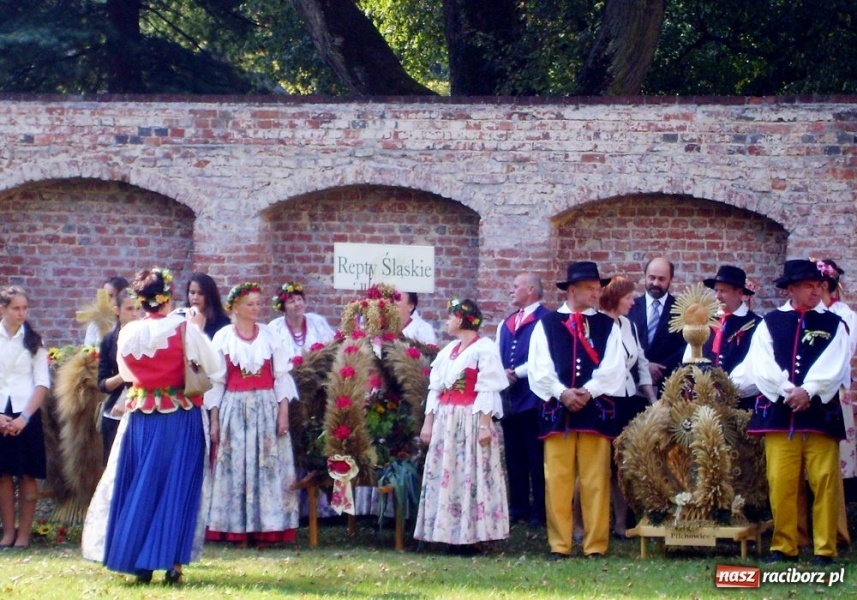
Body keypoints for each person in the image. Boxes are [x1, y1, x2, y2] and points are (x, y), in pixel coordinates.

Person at [100, 267, 221, 584]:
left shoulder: (128, 332)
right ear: (167, 297)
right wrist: (197, 329)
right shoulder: (184, 328)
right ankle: (172, 564)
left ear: (142, 301)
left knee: (141, 485)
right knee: (177, 487)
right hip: (178, 415)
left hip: (140, 417)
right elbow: (213, 367)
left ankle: (138, 560)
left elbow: (126, 373)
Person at [741, 259, 848, 566]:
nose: (817, 291)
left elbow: (835, 363)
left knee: (824, 480)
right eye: (809, 286)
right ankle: (784, 544)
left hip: (819, 414)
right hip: (780, 412)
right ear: (792, 289)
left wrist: (809, 391)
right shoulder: (770, 322)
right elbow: (761, 365)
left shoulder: (834, 324)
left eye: (819, 286)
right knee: (781, 480)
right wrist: (788, 390)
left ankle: (824, 548)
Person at [528, 261, 625, 559]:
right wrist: (561, 393)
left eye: (597, 288)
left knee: (595, 479)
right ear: (571, 290)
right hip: (558, 413)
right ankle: (560, 543)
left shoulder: (608, 326)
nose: (595, 293)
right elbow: (538, 367)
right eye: (589, 288)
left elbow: (614, 367)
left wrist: (589, 391)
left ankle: (596, 544)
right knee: (557, 479)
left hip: (594, 411)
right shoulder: (547, 324)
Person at [206, 282, 299, 547]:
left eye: (259, 303)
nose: (256, 308)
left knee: (267, 466)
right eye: (250, 304)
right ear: (235, 307)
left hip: (265, 406)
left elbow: (281, 377)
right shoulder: (223, 337)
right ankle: (236, 529)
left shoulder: (270, 336)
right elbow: (216, 382)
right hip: (234, 408)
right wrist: (214, 420)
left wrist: (283, 413)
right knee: (236, 467)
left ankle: (267, 528)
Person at [414, 298, 509, 552]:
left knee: (469, 472)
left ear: (461, 319)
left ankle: (470, 536)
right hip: (447, 419)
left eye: (450, 316)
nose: (447, 320)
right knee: (449, 471)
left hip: (470, 418)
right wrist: (428, 422)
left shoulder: (484, 349)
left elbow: (488, 388)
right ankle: (447, 532)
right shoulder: (448, 351)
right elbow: (435, 388)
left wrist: (484, 425)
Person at [598, 276, 657, 537]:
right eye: (629, 298)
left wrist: (652, 399)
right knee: (596, 464)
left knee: (620, 466)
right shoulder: (596, 324)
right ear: (615, 298)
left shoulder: (629, 326)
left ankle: (621, 524)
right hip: (600, 401)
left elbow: (641, 363)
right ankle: (581, 523)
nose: (634, 302)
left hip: (627, 400)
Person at [496, 273, 549, 527]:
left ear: (530, 290)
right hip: (510, 400)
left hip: (533, 399)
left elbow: (544, 358)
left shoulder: (545, 319)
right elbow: (497, 354)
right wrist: (501, 372)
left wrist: (516, 373)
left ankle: (540, 510)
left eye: (515, 286)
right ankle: (518, 508)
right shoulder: (506, 323)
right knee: (514, 457)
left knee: (536, 457)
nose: (511, 290)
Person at [0, 286, 49, 550]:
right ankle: (8, 532)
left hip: (26, 413)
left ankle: (24, 535)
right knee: (4, 475)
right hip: (0, 413)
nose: (21, 313)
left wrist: (24, 417)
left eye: (24, 308)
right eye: (16, 308)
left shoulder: (34, 342)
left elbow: (42, 384)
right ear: (2, 310)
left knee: (27, 475)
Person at [686, 265, 761, 409]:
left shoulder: (756, 324)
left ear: (739, 293)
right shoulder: (704, 320)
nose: (717, 296)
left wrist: (724, 389)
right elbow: (690, 357)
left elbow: (754, 368)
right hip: (702, 403)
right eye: (716, 290)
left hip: (738, 405)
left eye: (723, 291)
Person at [96, 288, 141, 465]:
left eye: (138, 308)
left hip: (140, 409)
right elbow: (102, 383)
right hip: (114, 410)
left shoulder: (147, 337)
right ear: (117, 311)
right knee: (111, 464)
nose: (135, 314)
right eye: (129, 309)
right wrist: (123, 375)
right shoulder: (108, 340)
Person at [628, 257, 686, 388]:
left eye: (661, 279)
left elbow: (686, 347)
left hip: (668, 388)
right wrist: (644, 366)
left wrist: (659, 370)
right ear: (645, 277)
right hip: (632, 389)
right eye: (651, 277)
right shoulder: (629, 308)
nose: (655, 283)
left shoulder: (683, 310)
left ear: (671, 279)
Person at [268, 281, 335, 363]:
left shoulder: (317, 322)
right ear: (283, 308)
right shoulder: (274, 328)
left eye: (299, 299)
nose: (297, 304)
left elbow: (332, 348)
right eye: (292, 301)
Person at [83, 276, 129, 346]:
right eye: (104, 295)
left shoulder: (134, 322)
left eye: (111, 296)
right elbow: (88, 349)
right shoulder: (95, 324)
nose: (107, 299)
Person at [185, 273, 231, 339]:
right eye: (192, 293)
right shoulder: (181, 318)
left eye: (200, 293)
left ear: (210, 296)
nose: (195, 297)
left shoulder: (222, 323)